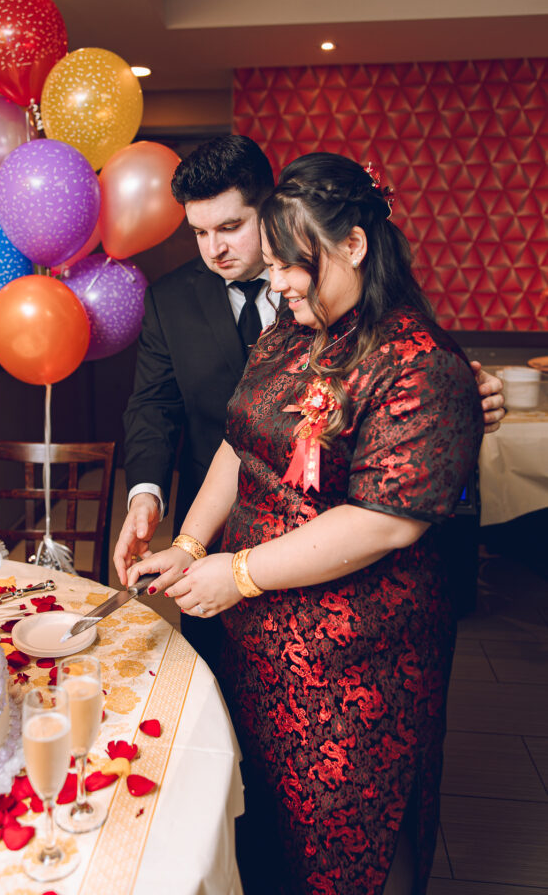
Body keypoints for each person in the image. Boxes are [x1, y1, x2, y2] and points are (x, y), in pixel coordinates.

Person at [125, 153, 485, 895]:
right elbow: (236, 442)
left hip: (356, 657)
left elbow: (384, 523)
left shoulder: (418, 360)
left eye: (294, 264)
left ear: (352, 246)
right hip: (258, 640)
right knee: (263, 824)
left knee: (349, 828)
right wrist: (191, 545)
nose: (279, 280)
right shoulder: (290, 335)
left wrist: (240, 572)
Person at [114, 136, 505, 670]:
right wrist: (186, 540)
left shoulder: (409, 351)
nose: (214, 250)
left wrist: (456, 406)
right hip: (243, 593)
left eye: (230, 228)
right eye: (200, 233)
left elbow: (387, 506)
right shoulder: (281, 329)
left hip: (353, 629)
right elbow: (202, 423)